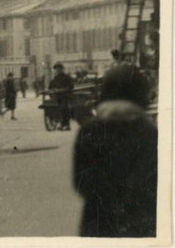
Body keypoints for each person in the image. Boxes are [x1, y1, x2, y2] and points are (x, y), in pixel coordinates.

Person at [73, 64, 157, 237]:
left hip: (98, 220)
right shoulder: (148, 132)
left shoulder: (89, 130)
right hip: (139, 222)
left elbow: (81, 181)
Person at [49, 62, 75, 131]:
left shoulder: (66, 77)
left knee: (64, 108)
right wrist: (52, 91)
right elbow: (51, 87)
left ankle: (66, 125)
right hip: (57, 97)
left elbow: (71, 86)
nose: (58, 70)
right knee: (53, 108)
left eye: (59, 68)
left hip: (65, 96)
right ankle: (60, 123)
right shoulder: (55, 78)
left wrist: (63, 90)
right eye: (56, 69)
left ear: (62, 69)